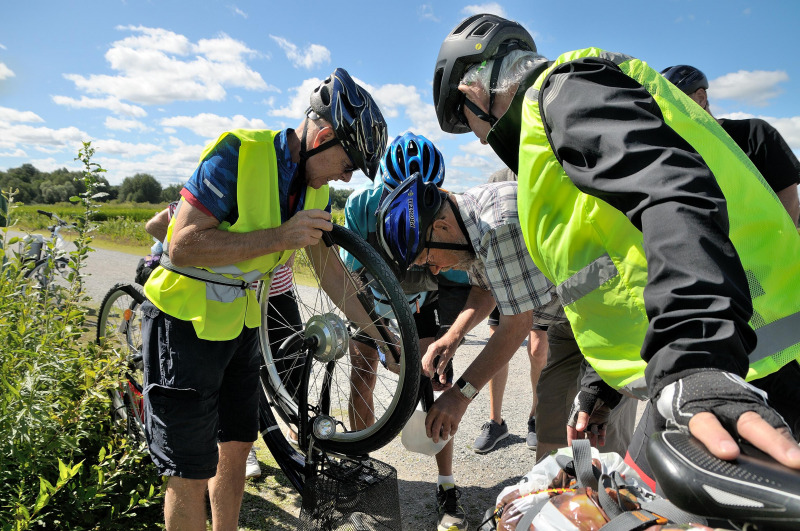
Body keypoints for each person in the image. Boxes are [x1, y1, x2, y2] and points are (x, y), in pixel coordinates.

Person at [431, 12, 800, 483]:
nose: (482, 141)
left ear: (473, 94)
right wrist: (601, 386)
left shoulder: (564, 91)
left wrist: (696, 356)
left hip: (744, 371)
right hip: (727, 365)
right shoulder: (549, 146)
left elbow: (671, 191)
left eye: (470, 126)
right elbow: (619, 270)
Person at [140, 68, 387, 530]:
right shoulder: (239, 152)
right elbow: (183, 243)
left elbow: (330, 270)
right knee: (189, 469)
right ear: (325, 135)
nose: (348, 175)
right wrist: (281, 235)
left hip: (242, 327)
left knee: (235, 449)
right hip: (184, 323)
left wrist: (380, 334)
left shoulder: (315, 187)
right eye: (349, 163)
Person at [376, 175, 567, 458]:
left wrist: (459, 396)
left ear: (441, 227)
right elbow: (484, 289)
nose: (436, 270)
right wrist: (451, 338)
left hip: (596, 315)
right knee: (552, 445)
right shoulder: (466, 222)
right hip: (564, 319)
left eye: (429, 260)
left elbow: (516, 327)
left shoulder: (498, 226)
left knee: (594, 439)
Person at [342, 132, 473, 531]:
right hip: (372, 301)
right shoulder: (360, 206)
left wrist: (446, 342)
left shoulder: (450, 217)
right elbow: (350, 280)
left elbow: (457, 287)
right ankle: (360, 465)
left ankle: (447, 487)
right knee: (362, 376)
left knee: (430, 385)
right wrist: (382, 337)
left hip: (420, 302)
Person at [660, 64, 800, 227]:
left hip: (764, 247)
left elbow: (788, 197)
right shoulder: (676, 148)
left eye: (674, 103)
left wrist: (780, 246)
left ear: (701, 98)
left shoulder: (754, 133)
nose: (669, 113)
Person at [474, 168, 547, 454]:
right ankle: (496, 422)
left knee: (538, 349)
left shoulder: (543, 168)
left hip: (538, 273)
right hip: (503, 274)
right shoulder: (497, 177)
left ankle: (535, 417)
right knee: (498, 344)